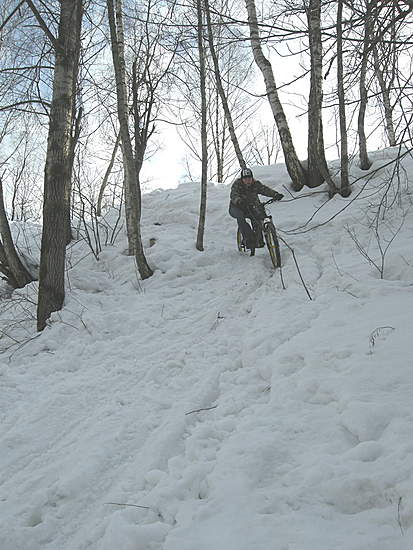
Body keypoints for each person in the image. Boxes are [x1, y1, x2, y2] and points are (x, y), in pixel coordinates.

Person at [229, 167, 283, 250]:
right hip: (236, 207)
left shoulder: (255, 184)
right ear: (242, 179)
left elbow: (265, 190)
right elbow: (234, 195)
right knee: (240, 217)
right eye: (245, 179)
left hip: (250, 206)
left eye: (249, 178)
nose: (248, 180)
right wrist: (239, 201)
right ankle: (248, 239)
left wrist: (275, 194)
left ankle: (258, 241)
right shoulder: (237, 184)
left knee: (257, 217)